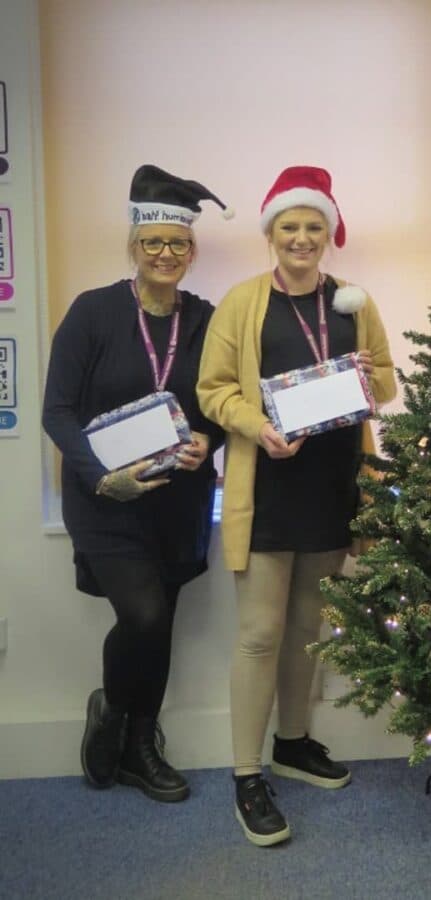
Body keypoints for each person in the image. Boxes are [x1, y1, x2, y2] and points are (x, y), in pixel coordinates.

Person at [197, 165, 396, 847]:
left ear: (329, 232)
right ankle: (246, 774)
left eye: (314, 227)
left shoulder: (354, 300)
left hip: (333, 486)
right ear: (272, 234)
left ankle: (292, 742)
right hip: (270, 484)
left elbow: (388, 382)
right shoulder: (242, 301)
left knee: (310, 625)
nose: (303, 238)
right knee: (259, 632)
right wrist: (258, 428)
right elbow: (213, 390)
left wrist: (371, 378)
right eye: (290, 227)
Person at [41, 164, 229, 803]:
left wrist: (215, 439)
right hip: (107, 502)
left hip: (177, 500)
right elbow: (57, 411)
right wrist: (101, 477)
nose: (166, 254)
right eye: (154, 243)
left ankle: (140, 746)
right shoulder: (93, 312)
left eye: (178, 243)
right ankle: (114, 711)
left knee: (163, 618)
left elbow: (223, 401)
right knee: (143, 614)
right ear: (134, 247)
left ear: (193, 250)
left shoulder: (206, 319)